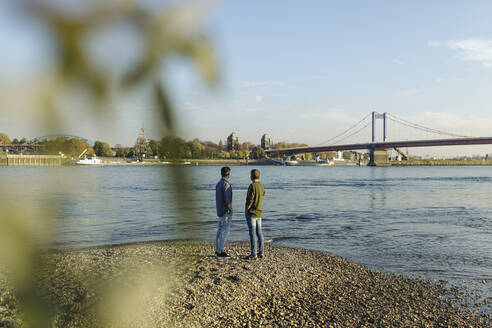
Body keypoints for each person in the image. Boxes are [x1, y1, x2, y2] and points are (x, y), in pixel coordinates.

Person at [245, 169, 266, 259]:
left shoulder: (252, 186)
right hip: (259, 212)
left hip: (252, 213)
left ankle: (254, 254)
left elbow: (250, 200)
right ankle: (261, 253)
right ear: (259, 176)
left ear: (251, 176)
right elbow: (264, 193)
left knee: (252, 233)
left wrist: (246, 209)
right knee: (259, 232)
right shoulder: (260, 185)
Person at [215, 166, 232, 258]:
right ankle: (221, 251)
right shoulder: (226, 184)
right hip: (225, 211)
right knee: (224, 231)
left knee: (219, 230)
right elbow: (227, 200)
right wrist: (231, 210)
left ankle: (218, 249)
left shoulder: (218, 183)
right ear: (228, 174)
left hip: (219, 210)